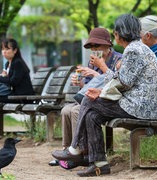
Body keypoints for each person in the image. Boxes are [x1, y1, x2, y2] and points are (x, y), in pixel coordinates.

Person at [52, 13, 157, 177]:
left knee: (88, 100)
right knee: (92, 115)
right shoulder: (137, 48)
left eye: (115, 32)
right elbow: (125, 82)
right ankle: (100, 164)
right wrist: (101, 91)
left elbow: (124, 83)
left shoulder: (133, 50)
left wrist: (102, 78)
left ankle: (75, 148)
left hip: (137, 107)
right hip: (136, 103)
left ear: (119, 34)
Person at [49, 27, 122, 169]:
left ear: (108, 45)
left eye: (97, 45)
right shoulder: (92, 62)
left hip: (109, 102)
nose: (94, 49)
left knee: (76, 111)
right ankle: (67, 149)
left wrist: (97, 72)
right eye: (91, 46)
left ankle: (83, 152)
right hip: (92, 99)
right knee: (66, 110)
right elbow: (88, 87)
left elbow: (117, 85)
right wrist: (80, 82)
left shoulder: (119, 60)